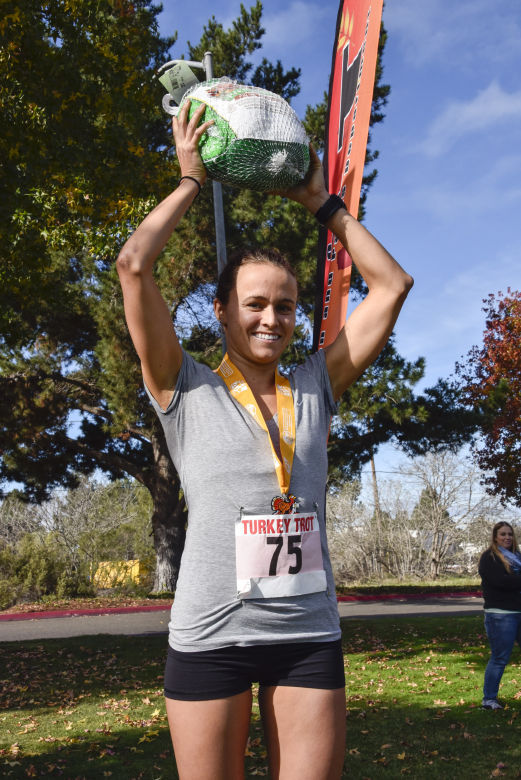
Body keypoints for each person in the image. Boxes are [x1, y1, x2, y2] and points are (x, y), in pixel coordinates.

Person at [116, 100, 413, 780]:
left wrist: (322, 201)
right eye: (254, 303)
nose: (271, 318)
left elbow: (391, 285)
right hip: (211, 637)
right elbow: (135, 264)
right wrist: (191, 179)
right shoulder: (182, 386)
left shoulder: (317, 384)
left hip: (307, 636)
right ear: (221, 311)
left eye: (284, 305)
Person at [479, 521, 521, 710]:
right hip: (501, 615)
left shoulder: (517, 557)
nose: (507, 537)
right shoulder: (490, 558)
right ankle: (489, 699)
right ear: (495, 536)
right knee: (500, 657)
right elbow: (500, 581)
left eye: (510, 534)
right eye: (503, 534)